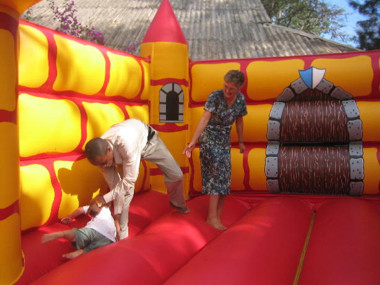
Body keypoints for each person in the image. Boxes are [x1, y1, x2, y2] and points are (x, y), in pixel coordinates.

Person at [85, 118, 189, 240]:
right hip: (123, 152)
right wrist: (117, 217)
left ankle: (178, 204)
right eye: (99, 165)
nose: (104, 167)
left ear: (109, 149)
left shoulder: (126, 143)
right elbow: (116, 188)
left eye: (104, 162)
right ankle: (122, 235)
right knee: (124, 192)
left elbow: (129, 181)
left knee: (176, 175)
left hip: (149, 144)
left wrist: (103, 199)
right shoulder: (100, 156)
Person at [183, 70, 247, 230]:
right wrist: (192, 142)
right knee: (217, 173)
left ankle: (217, 216)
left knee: (225, 176)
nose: (227, 91)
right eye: (225, 86)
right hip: (209, 138)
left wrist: (240, 141)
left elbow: (239, 122)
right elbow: (204, 119)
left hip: (224, 140)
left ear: (239, 88)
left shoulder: (240, 100)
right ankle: (211, 218)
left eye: (232, 89)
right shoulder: (215, 97)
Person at [41, 201, 116, 259]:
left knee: (78, 235)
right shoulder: (110, 216)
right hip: (108, 238)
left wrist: (70, 217)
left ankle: (62, 234)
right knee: (90, 250)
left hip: (94, 228)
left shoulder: (98, 206)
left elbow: (80, 210)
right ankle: (79, 252)